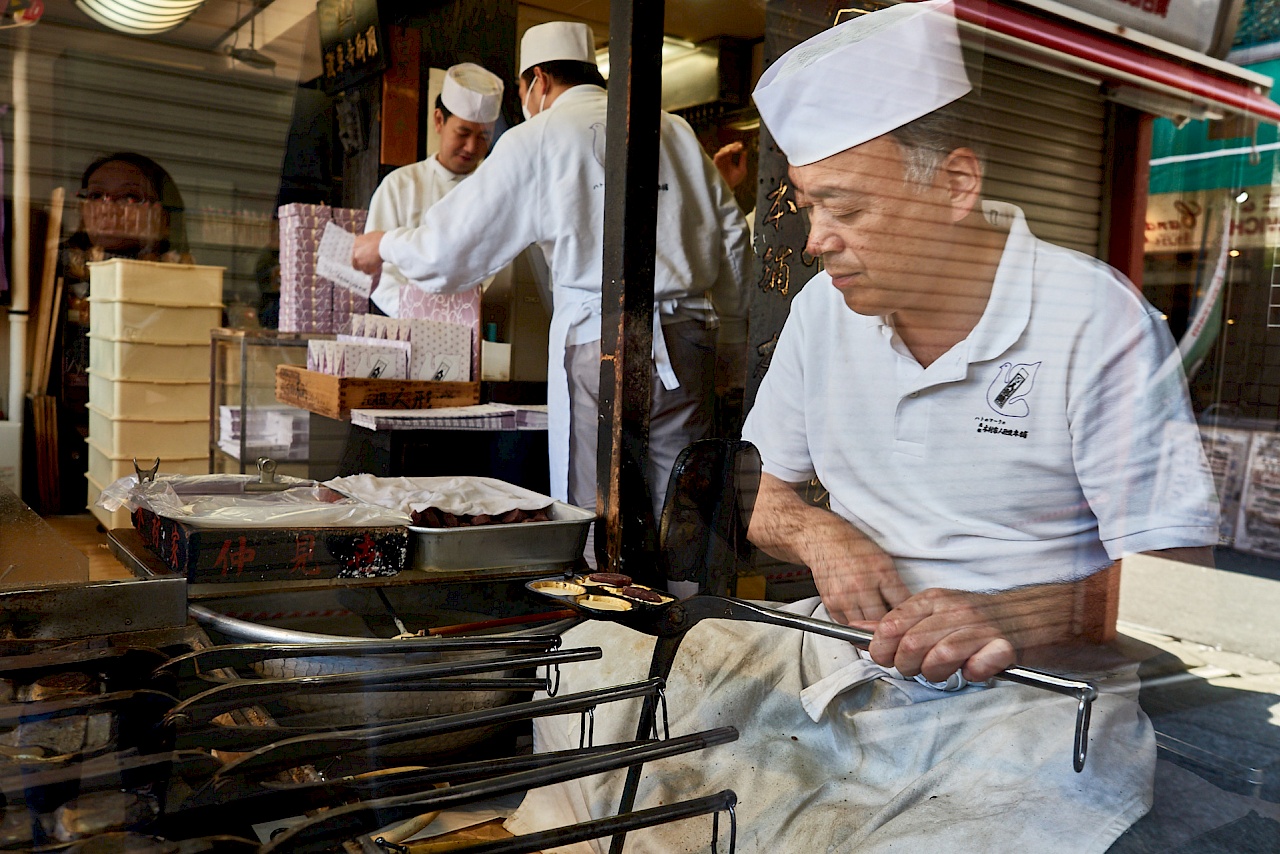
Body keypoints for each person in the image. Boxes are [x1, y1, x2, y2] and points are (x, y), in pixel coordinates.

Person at [503, 3, 1219, 851]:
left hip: (1029, 699)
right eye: (807, 206)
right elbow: (761, 498)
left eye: (844, 208)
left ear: (956, 184)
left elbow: (1178, 575)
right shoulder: (824, 312)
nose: (815, 242)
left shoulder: (1091, 319)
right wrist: (816, 533)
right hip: (839, 653)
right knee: (584, 665)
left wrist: (1014, 615)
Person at [353, 22, 750, 540]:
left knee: (595, 509)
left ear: (536, 82)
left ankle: (606, 618)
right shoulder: (672, 128)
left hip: (601, 344)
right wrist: (732, 341)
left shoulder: (538, 137)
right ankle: (689, 619)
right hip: (689, 340)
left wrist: (382, 243)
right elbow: (733, 240)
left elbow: (447, 251)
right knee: (684, 505)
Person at [51, 153, 193, 513]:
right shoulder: (51, 275)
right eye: (96, 195)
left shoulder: (185, 280)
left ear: (163, 216)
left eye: (130, 197)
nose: (108, 208)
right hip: (62, 447)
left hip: (150, 448)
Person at [365, 62, 504, 316]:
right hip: (408, 327)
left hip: (477, 328)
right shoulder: (400, 186)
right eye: (463, 133)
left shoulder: (498, 193)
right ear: (439, 120)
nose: (472, 147)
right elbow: (380, 273)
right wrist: (421, 314)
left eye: (483, 136)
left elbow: (500, 271)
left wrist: (466, 312)